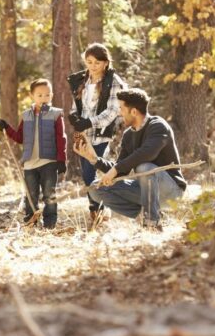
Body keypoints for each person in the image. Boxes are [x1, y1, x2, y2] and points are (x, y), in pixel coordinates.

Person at [74, 88, 186, 230]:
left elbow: (147, 153)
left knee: (145, 167)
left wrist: (115, 169)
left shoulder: (158, 126)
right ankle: (145, 213)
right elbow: (121, 171)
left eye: (121, 109)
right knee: (96, 189)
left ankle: (152, 224)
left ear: (133, 112)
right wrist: (95, 159)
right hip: (145, 191)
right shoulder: (128, 135)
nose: (119, 113)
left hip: (171, 192)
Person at [67, 43, 129, 228]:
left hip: (100, 133)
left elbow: (112, 111)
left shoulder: (113, 81)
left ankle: (99, 210)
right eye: (89, 62)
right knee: (86, 175)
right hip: (82, 133)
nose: (92, 66)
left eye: (97, 62)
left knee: (90, 170)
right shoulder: (81, 80)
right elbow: (76, 106)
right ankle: (96, 210)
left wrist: (90, 122)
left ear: (105, 62)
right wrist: (74, 117)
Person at [0, 79, 67, 229]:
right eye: (40, 95)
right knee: (30, 195)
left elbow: (61, 138)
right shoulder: (27, 115)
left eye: (47, 95)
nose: (44, 98)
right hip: (29, 163)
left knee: (49, 194)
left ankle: (50, 224)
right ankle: (31, 222)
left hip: (49, 161)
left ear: (52, 96)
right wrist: (7, 128)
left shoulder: (55, 114)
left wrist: (62, 159)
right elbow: (20, 138)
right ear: (32, 96)